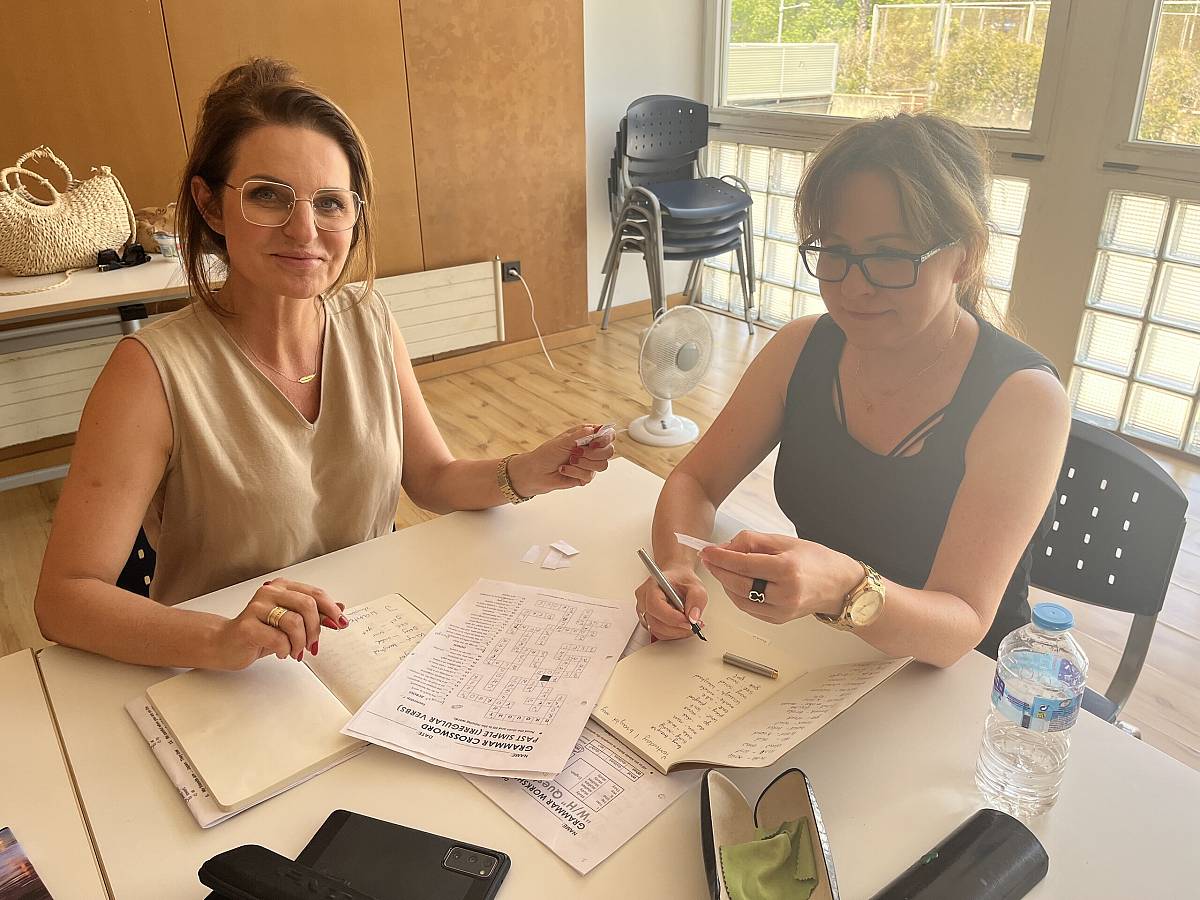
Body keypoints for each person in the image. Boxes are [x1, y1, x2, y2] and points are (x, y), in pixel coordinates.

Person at [35, 59, 613, 670]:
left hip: (370, 640)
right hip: (229, 677)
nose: (305, 229)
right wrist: (219, 639)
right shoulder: (150, 372)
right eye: (267, 195)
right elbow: (65, 598)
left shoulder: (370, 321)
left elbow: (432, 478)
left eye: (331, 203)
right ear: (209, 205)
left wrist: (524, 471)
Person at [635, 113, 1069, 667]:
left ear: (966, 255)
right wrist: (676, 567)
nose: (854, 287)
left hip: (957, 681)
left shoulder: (1022, 399)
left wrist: (846, 589)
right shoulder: (802, 348)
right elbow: (696, 481)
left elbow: (961, 627)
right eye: (835, 252)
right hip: (825, 651)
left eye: (889, 256)